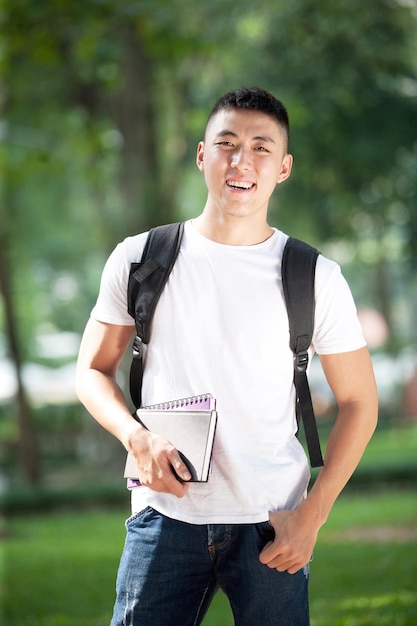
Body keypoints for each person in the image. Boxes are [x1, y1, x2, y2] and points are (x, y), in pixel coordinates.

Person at [76, 87, 378, 626]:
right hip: (163, 515)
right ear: (201, 155)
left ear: (283, 168)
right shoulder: (141, 257)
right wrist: (135, 437)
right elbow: (92, 370)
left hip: (273, 520)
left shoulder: (314, 276)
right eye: (227, 143)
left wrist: (314, 513)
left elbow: (359, 402)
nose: (242, 161)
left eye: (262, 148)